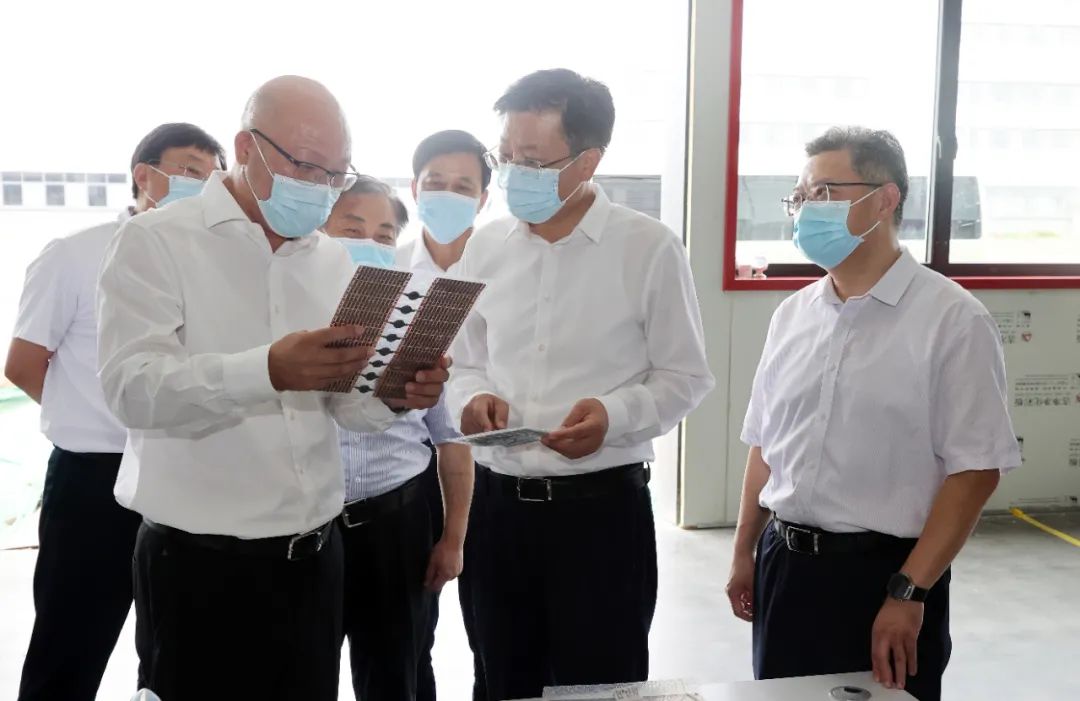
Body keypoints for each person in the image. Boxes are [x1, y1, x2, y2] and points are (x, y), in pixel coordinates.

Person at [96, 76, 451, 701]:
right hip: (199, 567)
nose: (319, 186)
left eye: (335, 174)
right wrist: (266, 370)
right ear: (245, 147)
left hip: (315, 560)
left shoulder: (329, 259)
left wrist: (393, 394)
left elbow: (342, 405)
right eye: (305, 166)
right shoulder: (157, 240)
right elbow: (131, 388)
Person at [727, 126, 1021, 701]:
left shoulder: (952, 320)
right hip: (785, 567)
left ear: (885, 199)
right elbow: (765, 444)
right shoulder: (793, 315)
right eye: (799, 197)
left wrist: (909, 592)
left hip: (884, 576)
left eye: (823, 192)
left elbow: (975, 470)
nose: (805, 210)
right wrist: (744, 553)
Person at [449, 68, 715, 700]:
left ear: (589, 160)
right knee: (500, 679)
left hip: (601, 518)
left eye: (533, 160)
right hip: (499, 513)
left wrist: (613, 415)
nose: (514, 173)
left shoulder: (648, 248)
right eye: (507, 157)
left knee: (600, 684)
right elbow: (462, 361)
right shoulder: (484, 248)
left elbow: (685, 376)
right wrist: (470, 398)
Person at [6, 122, 225, 701]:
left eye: (211, 177)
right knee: (70, 644)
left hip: (180, 472)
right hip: (93, 479)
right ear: (143, 176)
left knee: (171, 651)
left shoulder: (209, 263)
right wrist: (93, 417)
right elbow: (24, 363)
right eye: (188, 170)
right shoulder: (76, 254)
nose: (201, 186)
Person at [322, 176, 475, 701]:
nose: (370, 243)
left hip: (396, 523)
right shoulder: (290, 310)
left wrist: (453, 539)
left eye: (385, 235)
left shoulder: (418, 318)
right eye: (352, 230)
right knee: (301, 668)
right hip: (307, 529)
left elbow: (452, 440)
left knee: (398, 673)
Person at [406, 128, 491, 701]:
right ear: (415, 189)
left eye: (463, 186)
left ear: (483, 199)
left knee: (496, 636)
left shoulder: (506, 268)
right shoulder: (385, 269)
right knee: (413, 639)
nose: (447, 194)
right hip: (417, 482)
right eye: (435, 182)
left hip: (501, 478)